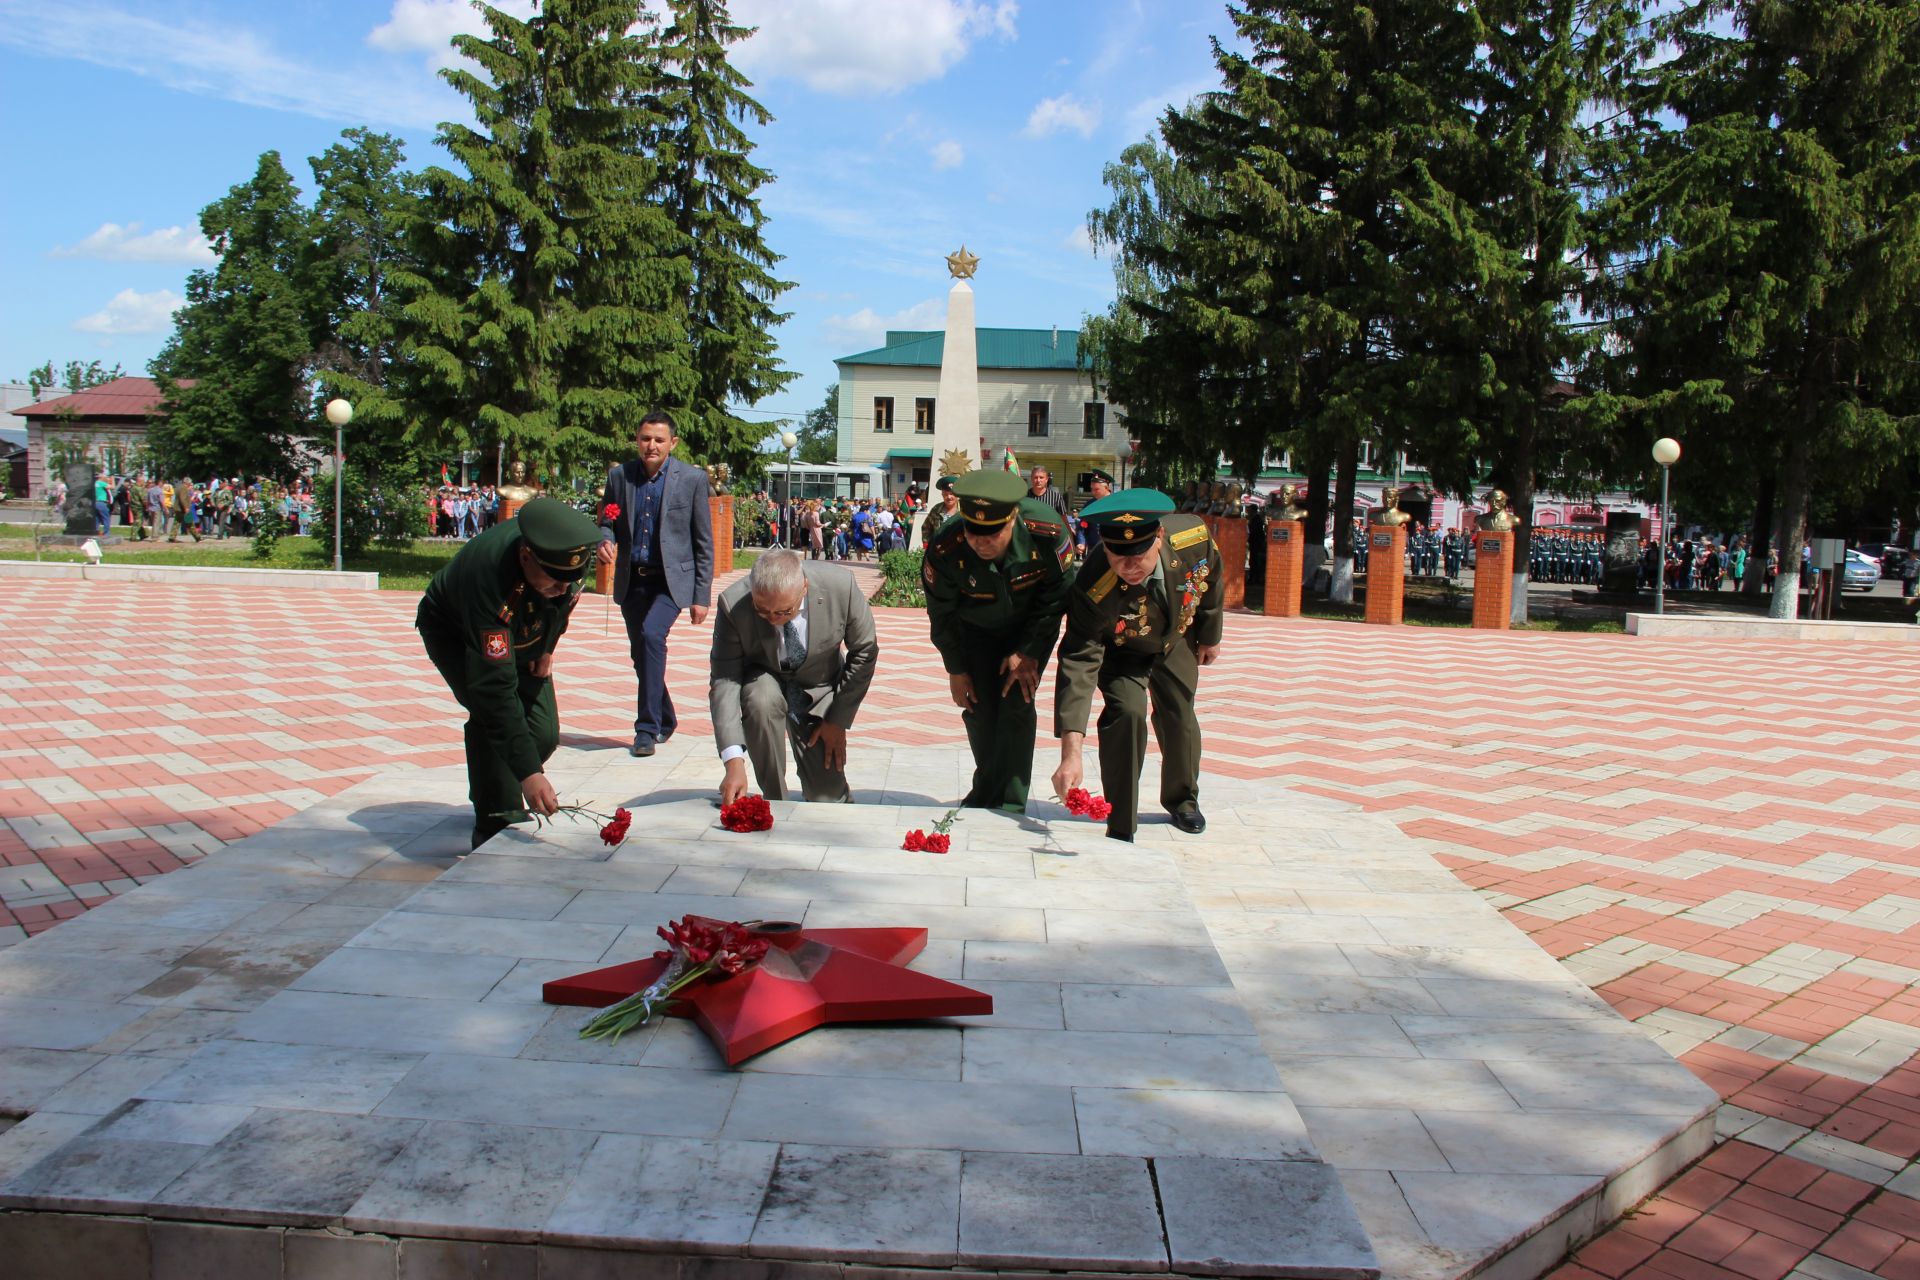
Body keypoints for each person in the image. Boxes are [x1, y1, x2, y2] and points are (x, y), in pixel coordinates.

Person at [417, 497, 600, 849]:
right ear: (526, 557)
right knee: (493, 718)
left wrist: (547, 647)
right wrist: (531, 775)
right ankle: (495, 822)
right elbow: (495, 690)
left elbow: (561, 604)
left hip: (528, 628)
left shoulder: (565, 557)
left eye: (569, 582)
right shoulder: (489, 578)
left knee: (543, 734)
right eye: (553, 582)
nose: (562, 588)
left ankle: (503, 780)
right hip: (456, 631)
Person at [1051, 488, 1223, 843]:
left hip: (1175, 637)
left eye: (1139, 554)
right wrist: (1071, 753)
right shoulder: (1092, 585)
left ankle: (1183, 800)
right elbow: (1079, 659)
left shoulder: (1192, 538)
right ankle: (1121, 816)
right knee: (1127, 713)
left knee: (1179, 712)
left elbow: (1212, 580)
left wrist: (1209, 634)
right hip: (1123, 650)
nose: (1129, 566)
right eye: (1118, 555)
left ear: (1158, 537)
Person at [923, 470, 1074, 812]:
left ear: (1014, 518)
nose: (981, 542)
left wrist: (1029, 651)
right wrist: (956, 668)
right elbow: (941, 613)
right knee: (979, 709)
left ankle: (1010, 801)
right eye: (973, 532)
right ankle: (986, 790)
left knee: (1016, 703)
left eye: (993, 534)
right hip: (974, 630)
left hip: (1029, 626)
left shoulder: (1046, 532)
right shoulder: (946, 546)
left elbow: (1057, 595)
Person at [710, 549, 878, 805]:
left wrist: (837, 720)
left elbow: (865, 651)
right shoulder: (733, 604)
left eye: (784, 612)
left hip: (818, 688)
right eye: (763, 611)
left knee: (827, 799)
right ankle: (774, 800)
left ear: (805, 588)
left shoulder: (840, 587)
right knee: (761, 698)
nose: (774, 621)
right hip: (765, 680)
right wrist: (733, 761)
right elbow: (725, 679)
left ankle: (828, 792)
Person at [596, 410, 715, 757]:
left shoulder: (691, 479)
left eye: (659, 440)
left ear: (672, 443)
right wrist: (605, 537)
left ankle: (645, 729)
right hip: (633, 579)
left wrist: (701, 597)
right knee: (640, 653)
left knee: (651, 636)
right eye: (645, 438)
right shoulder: (621, 477)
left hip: (670, 582)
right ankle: (666, 717)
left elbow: (703, 541)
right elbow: (609, 517)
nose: (651, 445)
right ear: (637, 439)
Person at [1076, 470, 1115, 554]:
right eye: (1092, 489)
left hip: (1114, 549)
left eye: (1096, 489)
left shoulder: (1117, 503)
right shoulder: (1089, 505)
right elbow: (1082, 526)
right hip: (1094, 549)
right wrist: (1081, 542)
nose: (1093, 492)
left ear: (1106, 488)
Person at [921, 475, 961, 545]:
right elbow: (926, 527)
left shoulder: (965, 509)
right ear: (942, 494)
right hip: (939, 551)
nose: (949, 497)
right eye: (946, 494)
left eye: (951, 494)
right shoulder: (936, 509)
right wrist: (927, 544)